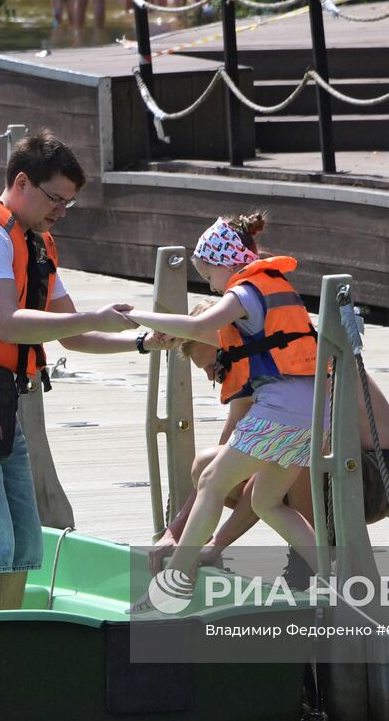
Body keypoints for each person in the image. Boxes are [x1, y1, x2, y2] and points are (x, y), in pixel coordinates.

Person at [0, 130, 153, 611]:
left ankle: (7, 641)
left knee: (22, 546)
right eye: (56, 199)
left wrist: (141, 342)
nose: (60, 211)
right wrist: (94, 314)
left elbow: (71, 334)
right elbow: (9, 323)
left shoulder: (35, 245)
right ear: (21, 182)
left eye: (68, 203)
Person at [126, 214, 321, 610]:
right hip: (311, 413)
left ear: (223, 262)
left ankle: (171, 586)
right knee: (267, 501)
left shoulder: (242, 291)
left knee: (212, 481)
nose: (210, 284)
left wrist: (133, 316)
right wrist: (170, 334)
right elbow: (202, 331)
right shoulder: (267, 290)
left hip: (280, 410)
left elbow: (198, 320)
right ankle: (343, 583)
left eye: (207, 274)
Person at [147, 303, 389, 574]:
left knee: (289, 451)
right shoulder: (252, 365)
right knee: (208, 464)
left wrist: (217, 543)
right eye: (208, 374)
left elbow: (285, 448)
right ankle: (313, 551)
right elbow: (219, 466)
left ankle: (308, 562)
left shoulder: (286, 358)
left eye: (215, 366)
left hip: (373, 478)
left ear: (226, 342)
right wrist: (175, 532)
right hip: (323, 460)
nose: (214, 376)